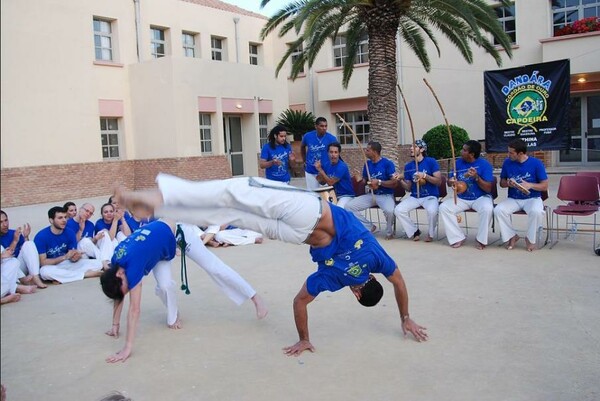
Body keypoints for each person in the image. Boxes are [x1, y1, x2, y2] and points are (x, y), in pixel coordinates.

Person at [114, 174, 428, 356]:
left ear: (372, 279)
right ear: (358, 294)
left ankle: (158, 197)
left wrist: (406, 316)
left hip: (311, 212)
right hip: (296, 234)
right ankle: (165, 207)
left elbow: (398, 281)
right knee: (231, 215)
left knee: (237, 191)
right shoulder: (335, 279)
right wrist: (305, 339)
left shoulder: (376, 258)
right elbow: (300, 301)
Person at [100, 218, 267, 363]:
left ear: (120, 273)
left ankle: (254, 297)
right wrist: (115, 324)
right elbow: (119, 293)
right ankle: (174, 317)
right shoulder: (116, 263)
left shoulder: (131, 266)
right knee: (165, 286)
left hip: (178, 233)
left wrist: (127, 348)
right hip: (159, 250)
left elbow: (134, 309)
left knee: (214, 267)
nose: (129, 289)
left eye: (127, 286)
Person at [494, 138, 548, 252]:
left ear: (521, 153)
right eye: (508, 151)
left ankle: (530, 239)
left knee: (536, 212)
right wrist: (508, 183)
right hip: (514, 198)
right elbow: (502, 183)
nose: (508, 155)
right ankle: (512, 236)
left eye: (511, 152)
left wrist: (530, 185)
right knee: (499, 210)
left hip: (532, 198)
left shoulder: (536, 163)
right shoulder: (507, 163)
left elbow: (544, 186)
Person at [439, 140, 494, 250]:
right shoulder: (458, 163)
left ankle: (481, 239)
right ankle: (457, 237)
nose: (461, 152)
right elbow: (449, 182)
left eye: (464, 150)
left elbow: (488, 188)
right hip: (462, 197)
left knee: (487, 208)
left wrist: (476, 177)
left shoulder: (484, 165)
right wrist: (451, 181)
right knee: (444, 207)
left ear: (472, 154)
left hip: (480, 197)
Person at [34, 206, 105, 284]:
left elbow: (72, 256)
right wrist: (65, 257)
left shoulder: (69, 232)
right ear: (51, 220)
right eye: (60, 218)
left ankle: (61, 277)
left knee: (98, 264)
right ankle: (85, 274)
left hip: (67, 264)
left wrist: (76, 257)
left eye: (65, 217)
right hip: (52, 266)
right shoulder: (41, 236)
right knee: (44, 272)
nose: (64, 220)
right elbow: (43, 262)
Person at [345, 141, 397, 239]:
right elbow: (365, 180)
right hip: (371, 194)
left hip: (385, 195)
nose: (365, 151)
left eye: (368, 150)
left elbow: (394, 183)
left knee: (390, 211)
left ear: (375, 152)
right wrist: (360, 179)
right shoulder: (367, 164)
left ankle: (389, 232)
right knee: (349, 207)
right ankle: (370, 227)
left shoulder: (387, 164)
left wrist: (379, 182)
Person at [393, 140, 442, 242]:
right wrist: (400, 180)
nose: (411, 148)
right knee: (398, 210)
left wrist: (424, 175)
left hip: (430, 196)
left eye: (414, 146)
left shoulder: (431, 161)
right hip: (415, 196)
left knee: (432, 211)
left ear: (422, 149)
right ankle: (414, 231)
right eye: (411, 146)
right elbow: (409, 188)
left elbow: (438, 182)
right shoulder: (408, 166)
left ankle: (431, 234)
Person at [0, 210, 46, 288]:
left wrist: (25, 237)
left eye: (6, 220)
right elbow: (6, 257)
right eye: (0, 222)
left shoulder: (14, 233)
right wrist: (15, 241)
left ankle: (35, 277)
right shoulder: (15, 236)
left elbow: (27, 252)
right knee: (9, 259)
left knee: (29, 243)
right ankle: (21, 282)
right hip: (7, 271)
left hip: (20, 267)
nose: (5, 224)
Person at [314, 142, 355, 208]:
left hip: (346, 195)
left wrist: (321, 170)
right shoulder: (327, 164)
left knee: (337, 210)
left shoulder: (342, 166)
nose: (333, 154)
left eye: (336, 152)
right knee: (321, 207)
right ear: (328, 153)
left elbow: (330, 182)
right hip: (333, 194)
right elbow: (322, 182)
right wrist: (318, 170)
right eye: (331, 152)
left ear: (339, 154)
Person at [301, 117, 338, 190]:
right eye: (321, 126)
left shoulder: (332, 139)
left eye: (325, 126)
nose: (324, 128)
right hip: (310, 171)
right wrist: (304, 160)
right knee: (313, 194)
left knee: (325, 195)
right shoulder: (308, 136)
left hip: (325, 172)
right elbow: (302, 147)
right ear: (316, 126)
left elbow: (336, 154)